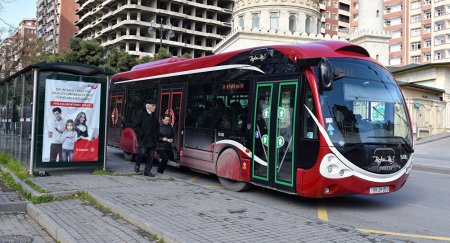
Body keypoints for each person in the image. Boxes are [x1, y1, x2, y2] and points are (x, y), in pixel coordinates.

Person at [133, 98, 159, 177]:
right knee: (142, 153)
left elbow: (157, 127)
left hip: (152, 139)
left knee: (151, 156)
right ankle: (137, 164)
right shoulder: (141, 113)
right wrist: (141, 134)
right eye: (153, 105)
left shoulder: (155, 115)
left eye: (155, 105)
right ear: (147, 106)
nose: (155, 107)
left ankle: (147, 171)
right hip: (143, 139)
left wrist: (156, 137)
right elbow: (136, 126)